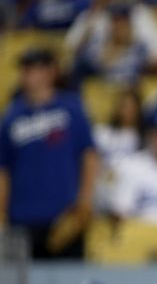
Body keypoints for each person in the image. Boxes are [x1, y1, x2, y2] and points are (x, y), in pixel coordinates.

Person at [0, 48, 98, 259]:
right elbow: (3, 170)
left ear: (51, 72)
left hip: (65, 216)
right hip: (22, 219)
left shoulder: (71, 108)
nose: (27, 74)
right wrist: (2, 217)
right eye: (25, 69)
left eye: (34, 69)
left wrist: (85, 202)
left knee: (69, 283)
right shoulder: (11, 116)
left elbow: (89, 156)